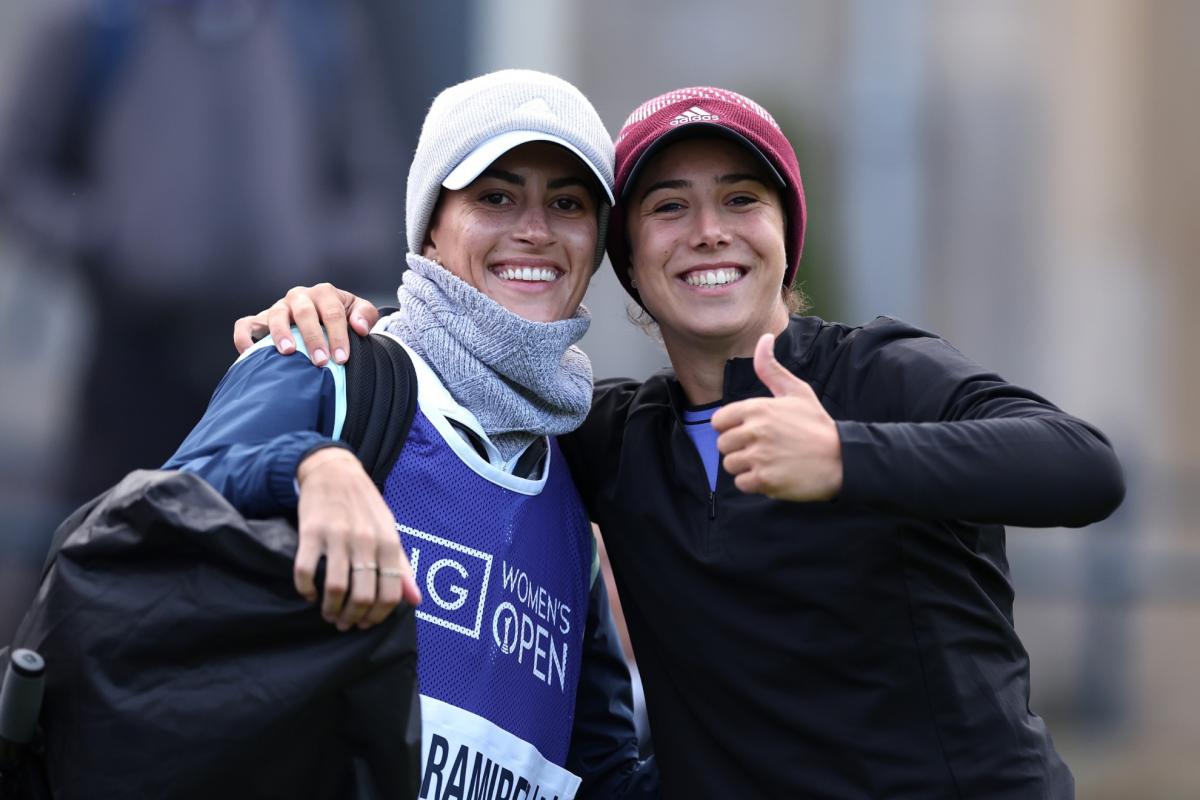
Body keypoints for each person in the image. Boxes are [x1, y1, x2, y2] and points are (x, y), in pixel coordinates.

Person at [235, 86, 1125, 799]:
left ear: (785, 236)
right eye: (669, 205)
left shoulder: (877, 376)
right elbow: (462, 376)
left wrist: (847, 458)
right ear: (626, 260)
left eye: (742, 198)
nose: (709, 231)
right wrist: (329, 323)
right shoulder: (614, 438)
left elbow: (1083, 466)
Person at [170, 70, 655, 799]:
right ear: (430, 225)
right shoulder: (326, 362)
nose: (535, 229)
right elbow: (161, 510)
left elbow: (609, 772)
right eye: (495, 196)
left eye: (568, 203)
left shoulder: (566, 490)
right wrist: (311, 467)